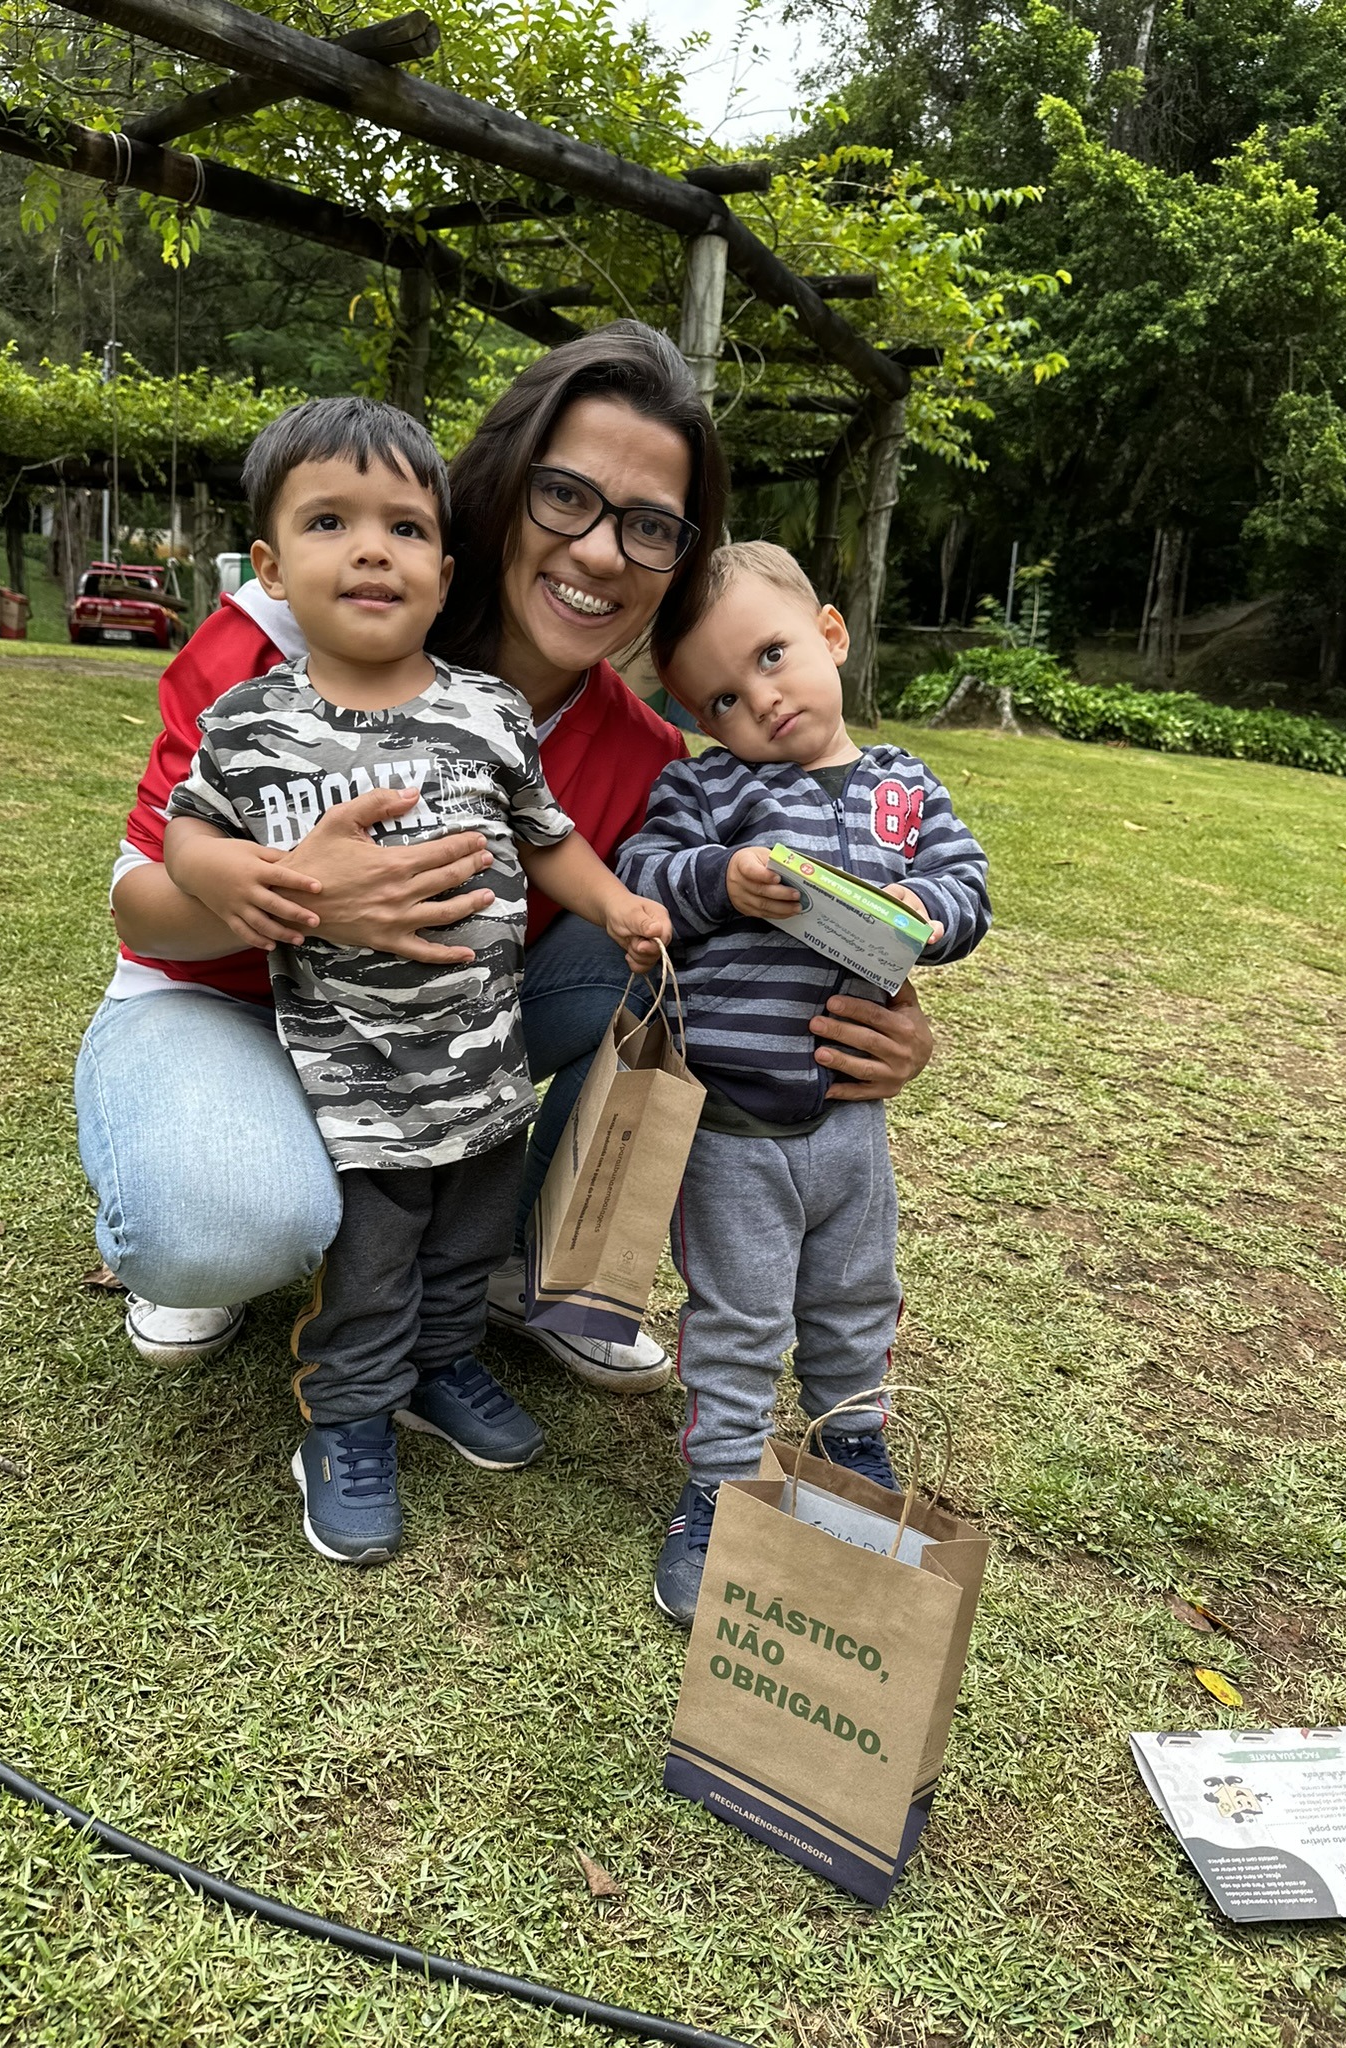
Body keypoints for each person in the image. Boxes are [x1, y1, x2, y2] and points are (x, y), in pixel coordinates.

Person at [76, 321, 935, 1397]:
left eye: (651, 526)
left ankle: (509, 1262)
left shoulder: (644, 751)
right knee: (229, 1223)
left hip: (431, 1030)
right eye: (566, 497)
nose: (600, 553)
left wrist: (870, 1004)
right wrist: (306, 897)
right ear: (500, 486)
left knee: (662, 945)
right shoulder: (297, 631)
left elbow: (724, 920)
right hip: (221, 1000)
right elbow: (140, 908)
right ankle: (216, 1183)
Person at [165, 396, 671, 1563]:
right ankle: (346, 1420)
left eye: (404, 526)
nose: (371, 549)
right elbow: (187, 836)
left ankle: (445, 1365)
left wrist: (615, 904)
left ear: (448, 569)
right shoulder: (249, 724)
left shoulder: (486, 710)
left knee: (464, 1240)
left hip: (485, 1068)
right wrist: (236, 876)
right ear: (271, 569)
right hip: (352, 1084)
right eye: (330, 521)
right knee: (375, 1260)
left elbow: (547, 836)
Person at [617, 542, 992, 1625]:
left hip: (852, 1123)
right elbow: (643, 872)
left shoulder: (904, 785)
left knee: (855, 1295)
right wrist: (719, 880)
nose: (760, 700)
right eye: (723, 696)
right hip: (729, 1127)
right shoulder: (705, 785)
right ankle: (720, 1488)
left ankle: (848, 1442)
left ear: (831, 633)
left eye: (774, 656)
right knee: (735, 1320)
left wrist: (926, 910)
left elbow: (967, 884)